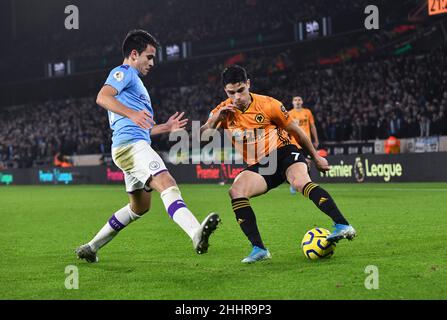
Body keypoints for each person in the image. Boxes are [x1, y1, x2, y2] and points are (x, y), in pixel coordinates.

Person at [76, 30, 220, 263]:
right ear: (134, 54)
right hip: (132, 146)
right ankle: (195, 233)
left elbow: (138, 124)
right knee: (167, 184)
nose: (152, 63)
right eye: (149, 56)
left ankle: (91, 247)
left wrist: (164, 127)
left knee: (139, 207)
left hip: (128, 145)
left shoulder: (134, 83)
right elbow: (102, 97)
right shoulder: (124, 73)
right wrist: (132, 114)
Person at [201, 65, 356, 263]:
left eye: (241, 90)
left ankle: (343, 225)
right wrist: (215, 119)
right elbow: (203, 137)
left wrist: (315, 157)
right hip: (261, 165)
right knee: (236, 191)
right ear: (225, 90)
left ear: (248, 84)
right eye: (232, 92)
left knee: (299, 182)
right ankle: (259, 249)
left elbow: (297, 131)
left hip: (284, 152)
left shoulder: (269, 104)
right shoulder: (222, 111)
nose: (237, 97)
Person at [288, 96, 319, 194]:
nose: (297, 102)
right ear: (292, 102)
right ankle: (294, 184)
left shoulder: (307, 112)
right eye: (295, 100)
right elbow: (286, 128)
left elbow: (312, 126)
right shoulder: (289, 114)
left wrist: (316, 140)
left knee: (308, 163)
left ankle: (306, 184)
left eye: (299, 100)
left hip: (306, 142)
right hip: (294, 143)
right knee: (296, 164)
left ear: (302, 102)